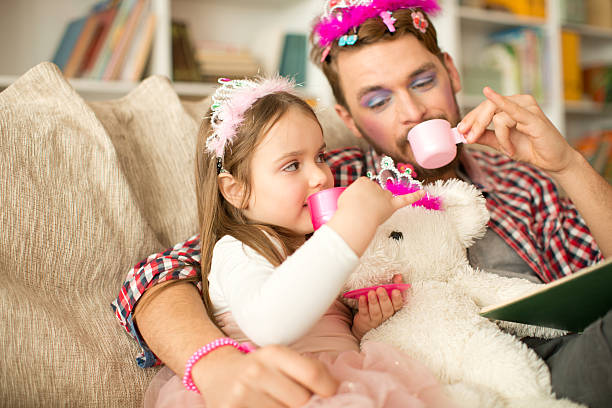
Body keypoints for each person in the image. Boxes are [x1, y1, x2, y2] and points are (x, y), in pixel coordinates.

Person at [112, 0, 612, 407]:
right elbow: (157, 277)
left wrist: (567, 164)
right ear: (349, 120)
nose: (413, 112)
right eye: (377, 101)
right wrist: (216, 365)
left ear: (452, 72)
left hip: (558, 364)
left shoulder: (524, 177)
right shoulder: (334, 184)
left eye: (422, 81)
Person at [142, 75, 452, 408]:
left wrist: (360, 328)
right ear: (236, 190)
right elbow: (270, 324)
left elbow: (321, 328)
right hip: (278, 391)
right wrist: (352, 224)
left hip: (346, 380)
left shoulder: (314, 241)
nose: (321, 175)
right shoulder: (240, 247)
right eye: (292, 165)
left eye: (320, 157)